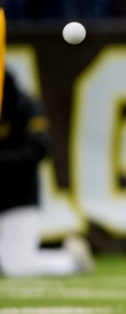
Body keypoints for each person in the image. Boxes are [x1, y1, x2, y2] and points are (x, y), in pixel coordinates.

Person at [0, 68, 93, 277]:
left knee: (17, 265)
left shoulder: (24, 106)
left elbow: (39, 148)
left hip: (18, 199)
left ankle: (71, 261)